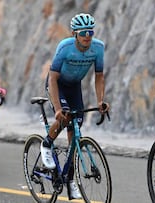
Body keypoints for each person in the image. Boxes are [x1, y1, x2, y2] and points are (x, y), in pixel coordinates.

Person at [40, 13, 109, 200]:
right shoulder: (65, 47)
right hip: (58, 84)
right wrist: (57, 108)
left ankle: (70, 181)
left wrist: (100, 101)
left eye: (91, 32)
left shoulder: (98, 48)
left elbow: (99, 76)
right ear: (74, 33)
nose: (88, 36)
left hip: (74, 87)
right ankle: (46, 143)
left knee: (75, 132)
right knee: (65, 117)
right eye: (83, 32)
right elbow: (53, 78)